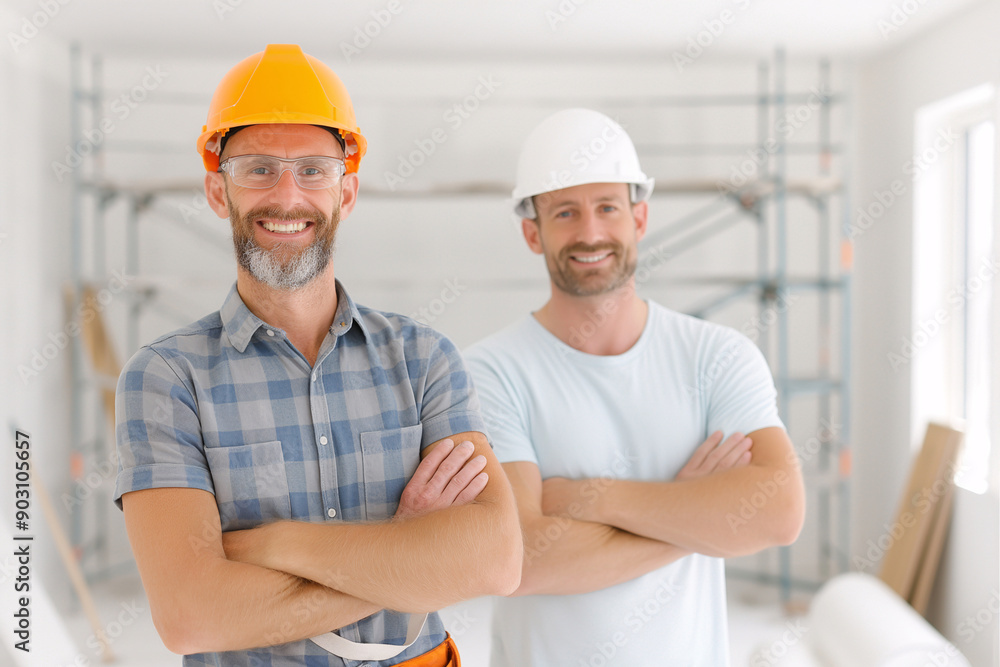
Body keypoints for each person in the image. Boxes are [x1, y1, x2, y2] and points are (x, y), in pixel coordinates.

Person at [113, 44, 521, 667]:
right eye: (256, 169)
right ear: (218, 191)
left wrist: (272, 546)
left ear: (346, 191)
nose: (287, 195)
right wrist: (406, 554)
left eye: (313, 170)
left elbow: (495, 559)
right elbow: (192, 617)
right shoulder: (168, 380)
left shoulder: (424, 359)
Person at [464, 108, 806, 665]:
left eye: (607, 208)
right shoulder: (489, 372)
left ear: (639, 218)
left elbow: (777, 513)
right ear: (533, 232)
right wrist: (696, 518)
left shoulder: (717, 357)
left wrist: (587, 498)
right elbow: (521, 559)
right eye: (566, 212)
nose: (591, 232)